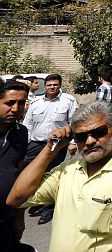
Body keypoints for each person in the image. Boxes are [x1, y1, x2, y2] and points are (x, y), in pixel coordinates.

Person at [7, 101, 112, 252]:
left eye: (98, 132)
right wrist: (50, 150)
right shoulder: (68, 169)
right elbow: (16, 198)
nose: (89, 141)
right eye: (81, 137)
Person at [21, 73, 77, 224]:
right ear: (45, 86)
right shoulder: (36, 102)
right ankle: (39, 200)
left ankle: (49, 208)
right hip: (35, 143)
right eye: (49, 85)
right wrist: (24, 144)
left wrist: (73, 142)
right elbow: (28, 124)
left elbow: (73, 122)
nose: (52, 87)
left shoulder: (68, 101)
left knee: (52, 174)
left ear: (60, 85)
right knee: (32, 172)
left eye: (55, 84)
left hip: (56, 144)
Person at [0, 81, 30, 250]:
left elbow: (20, 176)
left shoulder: (21, 133)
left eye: (21, 103)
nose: (16, 108)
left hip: (6, 218)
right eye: (9, 103)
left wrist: (20, 217)